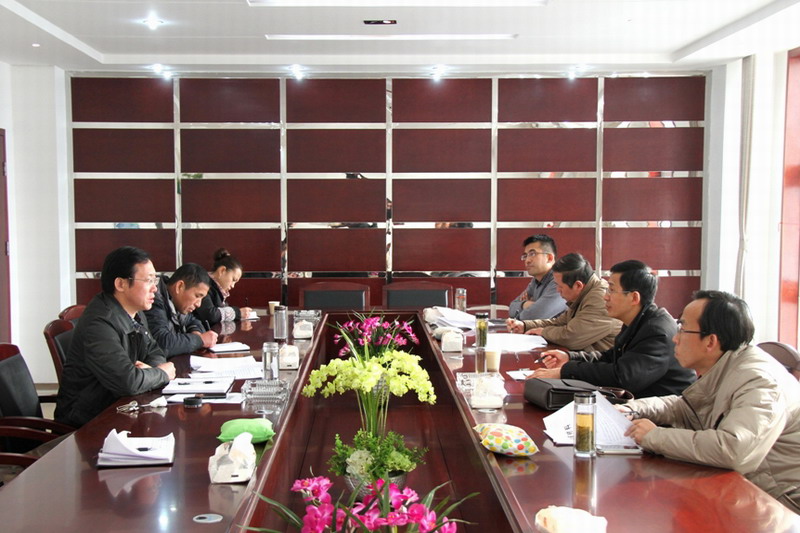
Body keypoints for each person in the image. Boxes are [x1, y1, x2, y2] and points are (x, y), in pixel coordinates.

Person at [622, 290, 800, 513]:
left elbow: (734, 449)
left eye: (682, 328)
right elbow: (684, 407)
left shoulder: (759, 381)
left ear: (710, 341)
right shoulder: (728, 365)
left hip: (781, 505)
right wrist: (633, 409)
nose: (675, 338)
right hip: (745, 491)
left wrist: (654, 436)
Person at [531, 260, 696, 398]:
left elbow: (623, 377)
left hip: (661, 416)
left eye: (611, 289)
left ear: (634, 297)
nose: (605, 296)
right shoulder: (638, 320)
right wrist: (569, 357)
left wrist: (566, 371)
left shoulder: (656, 330)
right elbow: (611, 357)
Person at [55, 247, 176, 427]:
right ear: (120, 284)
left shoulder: (135, 313)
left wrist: (150, 370)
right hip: (88, 423)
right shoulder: (99, 323)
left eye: (155, 280)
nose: (155, 288)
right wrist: (162, 373)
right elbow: (128, 382)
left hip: (118, 408)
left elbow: (154, 351)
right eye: (148, 280)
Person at [506, 253, 620, 351]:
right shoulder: (584, 294)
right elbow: (560, 322)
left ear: (578, 285)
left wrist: (543, 332)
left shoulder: (600, 299)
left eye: (560, 286)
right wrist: (525, 326)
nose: (557, 290)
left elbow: (572, 337)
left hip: (603, 366)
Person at [144, 262, 218, 357]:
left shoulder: (177, 302)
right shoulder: (154, 301)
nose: (198, 304)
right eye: (197, 296)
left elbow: (192, 320)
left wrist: (196, 332)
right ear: (179, 287)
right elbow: (161, 343)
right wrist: (200, 340)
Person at [508, 234, 567, 321]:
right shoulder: (535, 281)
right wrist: (525, 304)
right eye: (525, 256)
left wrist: (532, 309)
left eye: (532, 254)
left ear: (549, 258)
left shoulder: (561, 281)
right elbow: (511, 307)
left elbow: (533, 316)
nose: (527, 260)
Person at [193, 248, 252, 326]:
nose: (233, 286)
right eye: (233, 280)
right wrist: (238, 313)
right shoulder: (204, 285)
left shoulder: (218, 290)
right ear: (222, 271)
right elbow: (210, 314)